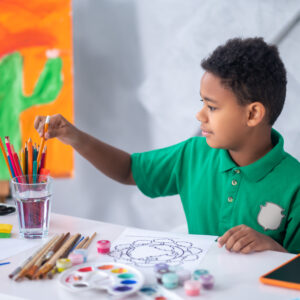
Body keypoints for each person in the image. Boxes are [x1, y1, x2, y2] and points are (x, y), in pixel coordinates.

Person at [35, 37, 300, 254]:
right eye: (202, 104)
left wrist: (273, 248)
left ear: (253, 114)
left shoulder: (295, 183)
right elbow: (130, 170)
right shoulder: (193, 154)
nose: (200, 116)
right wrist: (73, 136)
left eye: (212, 107)